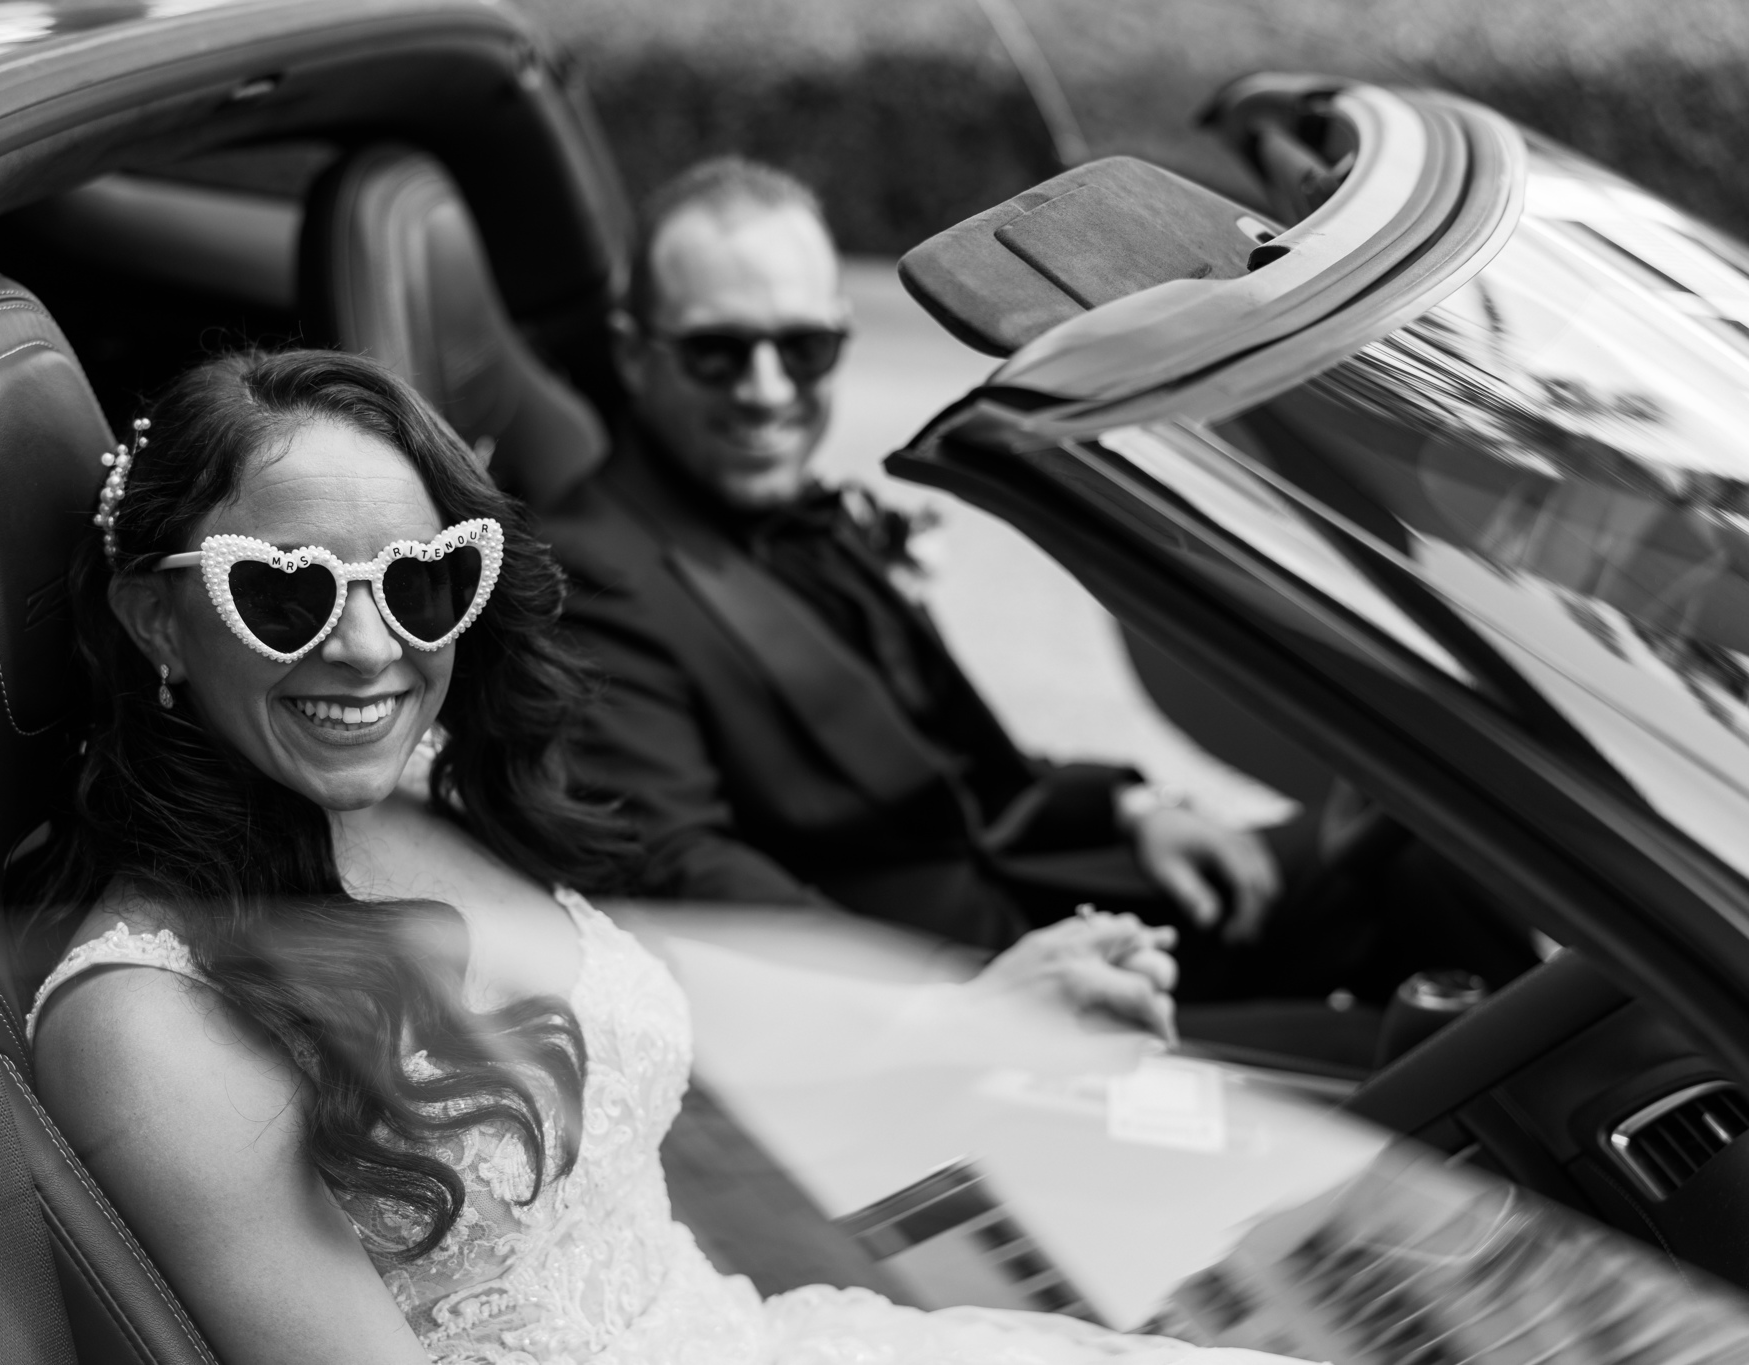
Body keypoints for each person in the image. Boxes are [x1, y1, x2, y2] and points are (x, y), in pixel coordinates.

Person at [21, 348, 1301, 1364]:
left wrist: (964, 1027)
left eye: (420, 582)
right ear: (158, 619)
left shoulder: (429, 798)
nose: (366, 648)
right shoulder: (148, 1017)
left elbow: (639, 1129)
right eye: (287, 589)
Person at [537, 157, 1540, 1006]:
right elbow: (680, 872)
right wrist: (957, 1012)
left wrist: (1129, 813)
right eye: (717, 354)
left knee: (1428, 844)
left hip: (1072, 891)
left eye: (801, 349)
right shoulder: (592, 570)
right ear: (635, 357)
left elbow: (965, 774)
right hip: (986, 1001)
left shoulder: (796, 519)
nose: (765, 393)